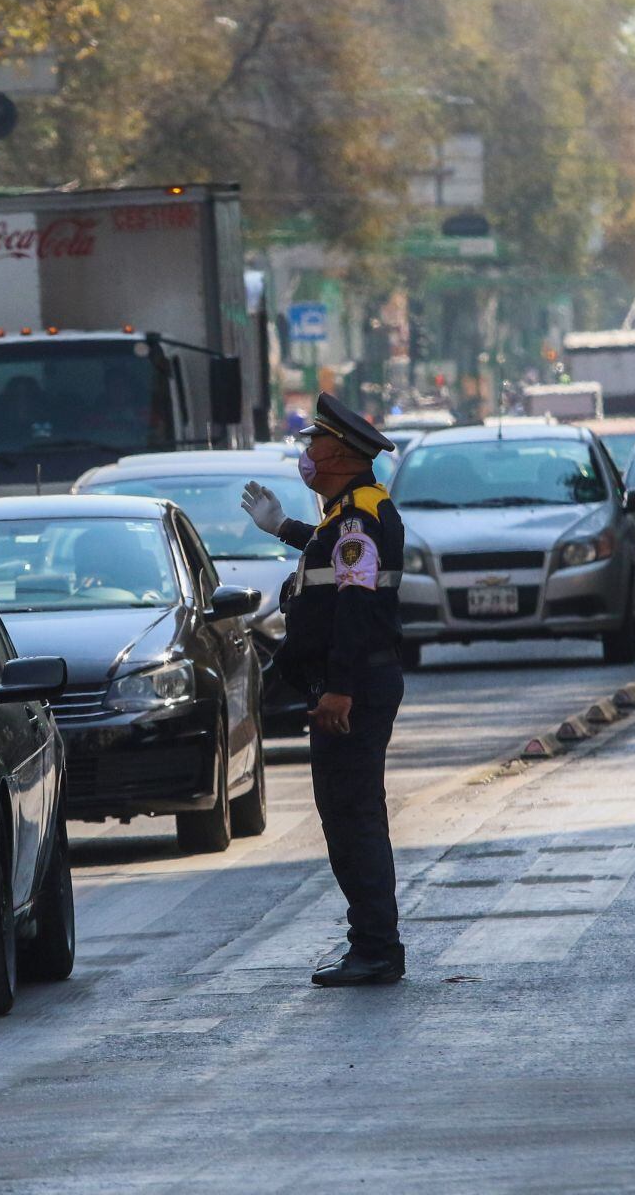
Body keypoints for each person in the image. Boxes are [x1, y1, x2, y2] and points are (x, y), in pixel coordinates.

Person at [240, 392, 405, 987]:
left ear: (338, 451)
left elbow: (357, 607)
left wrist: (338, 690)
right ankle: (374, 943)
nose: (307, 452)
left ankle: (377, 949)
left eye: (313, 442)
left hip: (353, 690)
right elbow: (334, 558)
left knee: (352, 817)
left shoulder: (358, 517)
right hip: (356, 684)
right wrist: (284, 527)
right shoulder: (350, 514)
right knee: (351, 814)